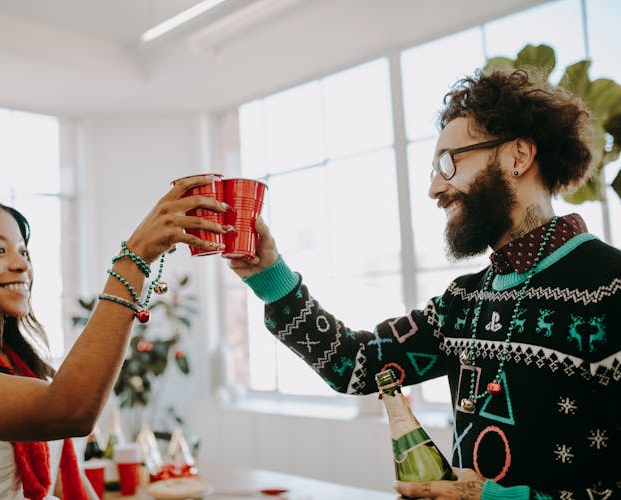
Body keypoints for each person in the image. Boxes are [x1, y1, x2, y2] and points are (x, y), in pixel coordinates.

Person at [227, 69, 620, 499]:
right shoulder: (463, 301)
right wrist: (269, 274)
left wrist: (494, 498)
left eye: (449, 163)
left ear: (518, 156)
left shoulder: (609, 288)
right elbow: (354, 364)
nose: (435, 188)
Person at [0, 175, 229, 499]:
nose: (22, 265)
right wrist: (133, 259)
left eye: (24, 251)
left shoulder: (9, 362)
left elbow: (68, 483)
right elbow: (68, 410)